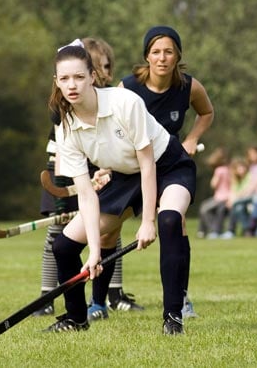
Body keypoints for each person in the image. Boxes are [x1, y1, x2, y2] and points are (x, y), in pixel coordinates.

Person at [45, 42, 196, 335]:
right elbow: (87, 195)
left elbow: (148, 162)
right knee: (64, 246)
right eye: (64, 79)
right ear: (57, 82)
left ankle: (173, 317)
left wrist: (148, 222)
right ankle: (76, 319)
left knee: (169, 220)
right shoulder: (66, 126)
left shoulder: (124, 103)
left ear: (91, 76)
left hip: (167, 166)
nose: (72, 85)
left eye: (78, 77)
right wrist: (93, 252)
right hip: (125, 177)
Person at [33, 37, 143, 316]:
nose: (106, 72)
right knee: (59, 239)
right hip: (64, 171)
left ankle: (106, 298)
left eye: (107, 66)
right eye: (100, 65)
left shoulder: (116, 102)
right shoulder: (63, 111)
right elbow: (66, 158)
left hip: (102, 174)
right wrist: (65, 194)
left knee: (107, 234)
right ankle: (51, 298)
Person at [118, 25, 214, 318]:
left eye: (168, 52)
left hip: (171, 165)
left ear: (177, 56)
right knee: (106, 227)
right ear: (147, 56)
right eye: (156, 52)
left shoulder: (189, 86)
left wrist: (192, 138)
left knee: (174, 222)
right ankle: (99, 302)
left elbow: (207, 113)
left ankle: (180, 301)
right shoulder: (127, 88)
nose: (162, 58)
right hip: (134, 168)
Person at [197, 147, 231, 239]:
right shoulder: (229, 169)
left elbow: (213, 184)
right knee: (207, 208)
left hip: (220, 198)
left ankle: (210, 230)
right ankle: (204, 231)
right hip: (228, 197)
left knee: (204, 208)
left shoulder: (219, 170)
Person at [222, 156, 253, 238]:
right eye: (239, 168)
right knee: (237, 207)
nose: (241, 169)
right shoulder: (236, 180)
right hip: (239, 202)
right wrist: (231, 200)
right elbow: (233, 191)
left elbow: (248, 191)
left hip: (249, 200)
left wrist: (234, 200)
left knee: (236, 205)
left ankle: (232, 230)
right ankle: (241, 230)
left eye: (242, 167)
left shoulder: (249, 176)